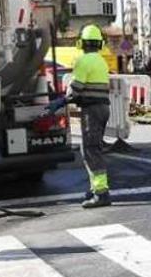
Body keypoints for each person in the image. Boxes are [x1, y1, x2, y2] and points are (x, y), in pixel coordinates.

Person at [47, 24, 112, 208]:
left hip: (92, 110)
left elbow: (74, 90)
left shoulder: (83, 61)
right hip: (102, 108)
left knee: (91, 150)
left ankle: (101, 193)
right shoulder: (101, 60)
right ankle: (95, 188)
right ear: (99, 44)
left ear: (81, 43)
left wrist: (59, 102)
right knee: (93, 148)